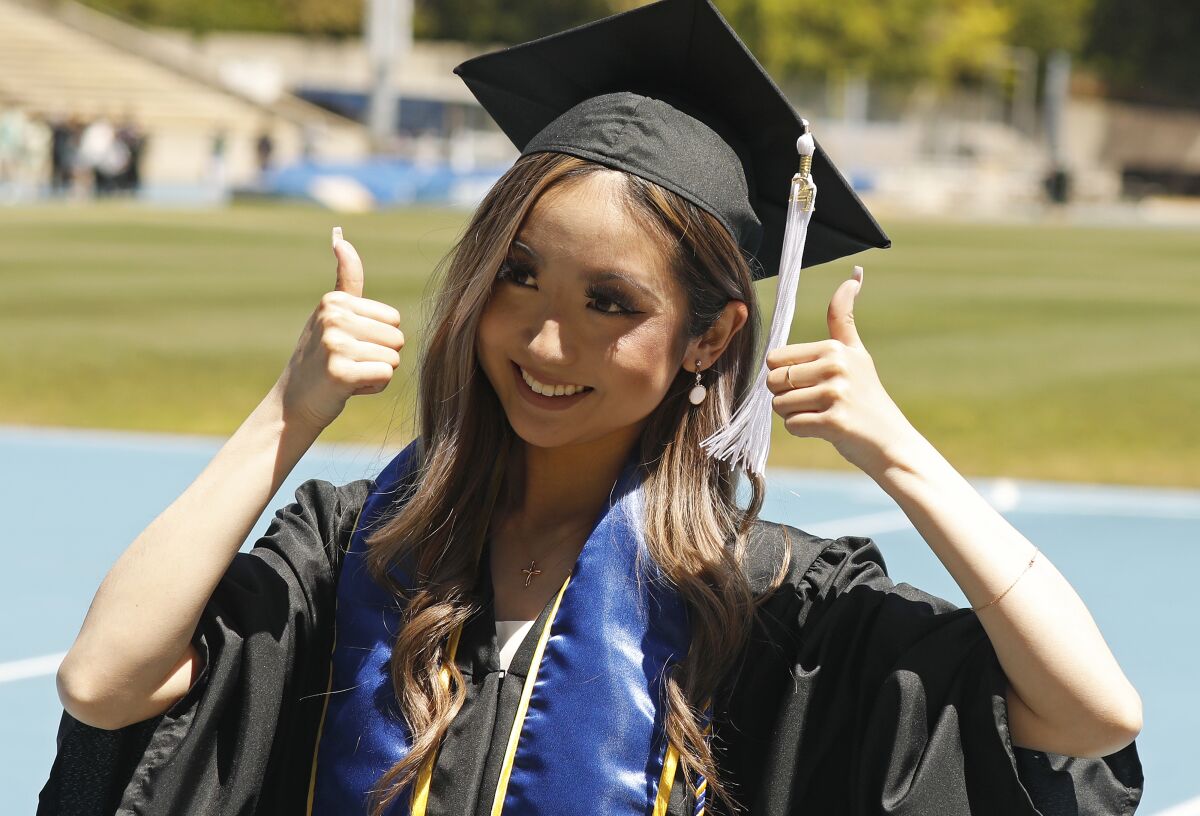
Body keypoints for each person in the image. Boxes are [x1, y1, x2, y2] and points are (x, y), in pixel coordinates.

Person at [39, 1, 1143, 815]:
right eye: (517, 276)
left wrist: (898, 453)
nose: (543, 340)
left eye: (610, 303)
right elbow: (106, 682)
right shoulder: (360, 547)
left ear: (710, 338)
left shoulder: (763, 602)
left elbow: (1089, 717)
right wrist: (290, 411)